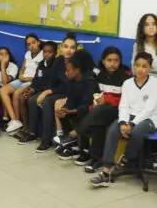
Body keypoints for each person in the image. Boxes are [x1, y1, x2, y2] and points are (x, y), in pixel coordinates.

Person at [90, 52, 157, 188]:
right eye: (137, 65)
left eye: (144, 66)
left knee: (136, 133)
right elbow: (124, 106)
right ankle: (105, 173)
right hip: (129, 117)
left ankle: (126, 159)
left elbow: (149, 109)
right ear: (133, 66)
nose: (140, 69)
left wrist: (131, 124)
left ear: (150, 68)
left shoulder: (154, 83)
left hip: (150, 117)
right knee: (113, 130)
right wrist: (122, 123)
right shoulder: (127, 83)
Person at [75, 47, 132, 172]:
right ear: (103, 61)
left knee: (100, 112)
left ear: (120, 61)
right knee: (97, 120)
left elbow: (126, 101)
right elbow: (96, 95)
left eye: (116, 61)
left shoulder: (126, 77)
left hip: (118, 111)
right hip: (102, 111)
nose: (112, 64)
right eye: (109, 60)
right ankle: (96, 158)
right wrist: (95, 103)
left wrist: (107, 101)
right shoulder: (100, 76)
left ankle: (77, 132)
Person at [27, 33, 78, 152]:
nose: (68, 50)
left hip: (72, 93)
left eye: (72, 47)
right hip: (60, 90)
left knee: (48, 101)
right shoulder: (59, 61)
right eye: (66, 46)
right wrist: (45, 92)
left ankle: (47, 140)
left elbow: (70, 86)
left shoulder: (77, 63)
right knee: (36, 100)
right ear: (61, 48)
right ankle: (33, 133)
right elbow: (52, 81)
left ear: (76, 49)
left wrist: (48, 92)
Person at [52, 50, 99, 160]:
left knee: (81, 116)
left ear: (77, 70)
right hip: (77, 110)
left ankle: (84, 150)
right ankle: (73, 146)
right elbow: (71, 101)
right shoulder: (72, 82)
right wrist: (64, 109)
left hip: (89, 112)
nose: (65, 73)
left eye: (68, 70)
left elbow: (87, 106)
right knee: (63, 112)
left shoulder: (90, 82)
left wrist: (70, 111)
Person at [0, 34, 44, 135]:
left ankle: (20, 123)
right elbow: (23, 68)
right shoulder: (27, 54)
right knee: (3, 90)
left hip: (32, 81)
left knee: (17, 94)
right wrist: (20, 75)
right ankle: (15, 120)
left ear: (38, 42)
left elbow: (41, 76)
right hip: (22, 79)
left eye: (33, 43)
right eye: (28, 44)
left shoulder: (43, 54)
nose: (31, 46)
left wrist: (28, 78)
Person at [16, 41, 58, 144]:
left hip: (51, 91)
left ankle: (43, 136)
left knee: (33, 100)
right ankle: (30, 131)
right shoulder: (41, 64)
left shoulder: (57, 65)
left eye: (50, 52)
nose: (47, 54)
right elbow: (36, 80)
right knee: (25, 97)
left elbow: (53, 83)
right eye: (45, 52)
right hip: (40, 90)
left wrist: (39, 91)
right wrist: (31, 89)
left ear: (55, 53)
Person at [0, 47, 19, 135]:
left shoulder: (13, 66)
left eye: (6, 54)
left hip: (10, 88)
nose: (4, 56)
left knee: (2, 90)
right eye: (1, 54)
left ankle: (5, 119)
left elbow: (5, 82)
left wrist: (2, 65)